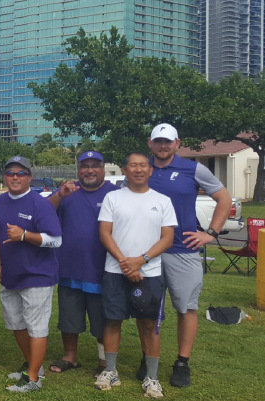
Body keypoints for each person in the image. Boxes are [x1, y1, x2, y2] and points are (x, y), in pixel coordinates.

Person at [146, 123, 231, 387]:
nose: (163, 145)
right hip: (147, 251)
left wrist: (211, 233)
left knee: (186, 308)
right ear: (150, 143)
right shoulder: (139, 167)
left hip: (183, 250)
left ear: (177, 143)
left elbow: (224, 199)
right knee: (146, 308)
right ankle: (148, 355)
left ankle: (182, 363)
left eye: (167, 141)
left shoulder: (193, 169)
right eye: (158, 141)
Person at [94, 152, 177, 400]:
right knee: (112, 320)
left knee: (150, 323)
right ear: (125, 170)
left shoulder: (162, 201)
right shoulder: (113, 197)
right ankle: (110, 371)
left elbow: (168, 238)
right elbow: (105, 233)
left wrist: (141, 260)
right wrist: (124, 263)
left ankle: (152, 377)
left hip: (149, 271)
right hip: (115, 270)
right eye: (133, 165)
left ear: (150, 170)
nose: (138, 169)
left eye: (143, 165)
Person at [0, 156, 62, 393]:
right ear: (4, 177)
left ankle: (32, 379)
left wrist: (26, 235)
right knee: (16, 323)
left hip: (38, 274)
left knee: (36, 326)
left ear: (30, 177)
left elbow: (56, 240)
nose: (15, 177)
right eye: (10, 173)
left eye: (21, 173)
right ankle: (34, 366)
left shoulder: (40, 204)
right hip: (11, 273)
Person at [47, 151, 119, 378]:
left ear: (103, 168)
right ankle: (70, 356)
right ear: (78, 169)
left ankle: (103, 360)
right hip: (69, 267)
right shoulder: (68, 192)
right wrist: (59, 194)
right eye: (84, 166)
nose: (89, 170)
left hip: (102, 268)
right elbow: (43, 212)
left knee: (102, 319)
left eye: (94, 165)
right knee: (69, 316)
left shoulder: (115, 194)